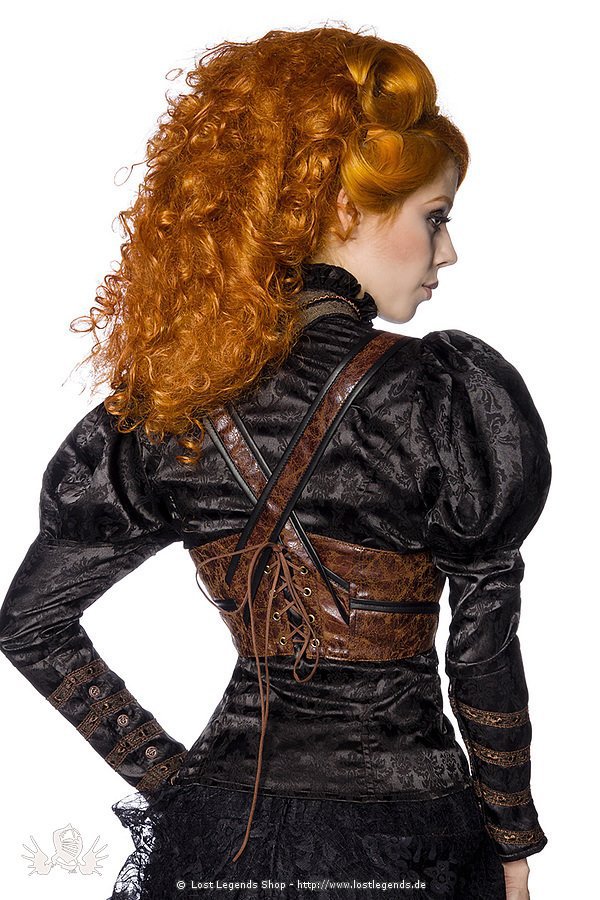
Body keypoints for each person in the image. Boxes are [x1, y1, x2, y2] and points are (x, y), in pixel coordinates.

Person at [0, 24, 551, 900]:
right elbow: (482, 652)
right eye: (435, 217)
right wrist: (512, 840)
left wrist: (175, 784)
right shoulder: (444, 398)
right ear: (343, 210)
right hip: (407, 841)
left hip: (222, 839)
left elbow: (30, 624)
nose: (447, 252)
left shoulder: (170, 406)